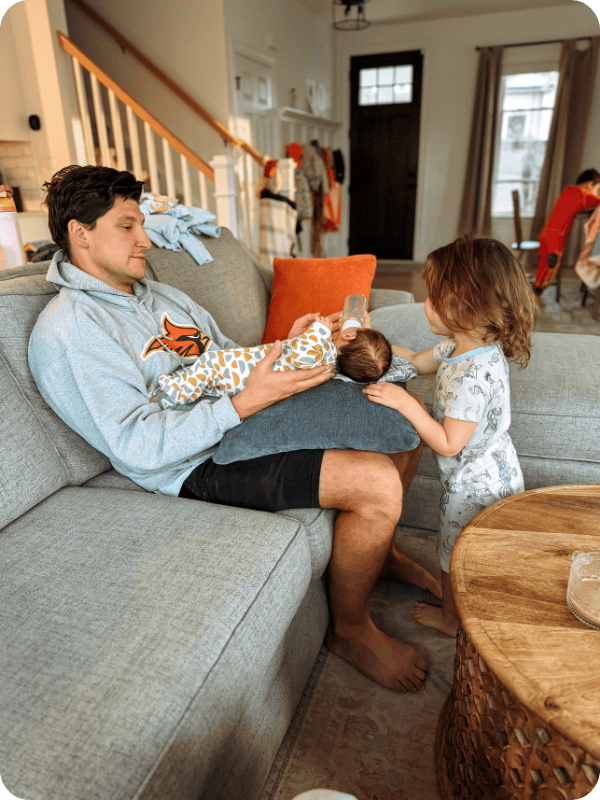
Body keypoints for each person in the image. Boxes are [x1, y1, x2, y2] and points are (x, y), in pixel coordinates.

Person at [28, 164, 441, 692]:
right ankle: (352, 630)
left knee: (397, 416)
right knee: (376, 480)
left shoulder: (157, 295)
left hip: (239, 413)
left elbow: (224, 356)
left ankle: (378, 554)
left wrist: (288, 347)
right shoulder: (72, 329)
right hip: (192, 462)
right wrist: (244, 405)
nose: (146, 239)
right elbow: (137, 444)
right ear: (80, 234)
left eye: (142, 224)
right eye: (128, 226)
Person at [364, 236, 534, 636]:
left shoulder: (471, 378)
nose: (426, 305)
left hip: (474, 484)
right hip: (496, 465)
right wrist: (375, 345)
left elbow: (447, 442)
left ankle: (452, 619)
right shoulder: (462, 345)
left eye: (434, 299)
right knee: (477, 551)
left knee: (452, 553)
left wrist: (405, 404)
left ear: (468, 307)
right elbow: (418, 361)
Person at [151, 319, 415, 407]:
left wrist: (321, 328)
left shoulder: (321, 350)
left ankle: (167, 394)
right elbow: (293, 356)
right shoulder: (330, 367)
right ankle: (178, 390)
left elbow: (300, 352)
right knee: (208, 380)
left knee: (208, 366)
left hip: (243, 369)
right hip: (244, 377)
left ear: (348, 334)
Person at [532, 168, 600, 305]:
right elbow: (598, 202)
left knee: (543, 265)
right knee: (551, 266)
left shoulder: (568, 190)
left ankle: (535, 291)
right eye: (597, 188)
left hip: (546, 232)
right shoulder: (584, 194)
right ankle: (534, 295)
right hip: (557, 236)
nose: (595, 192)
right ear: (589, 184)